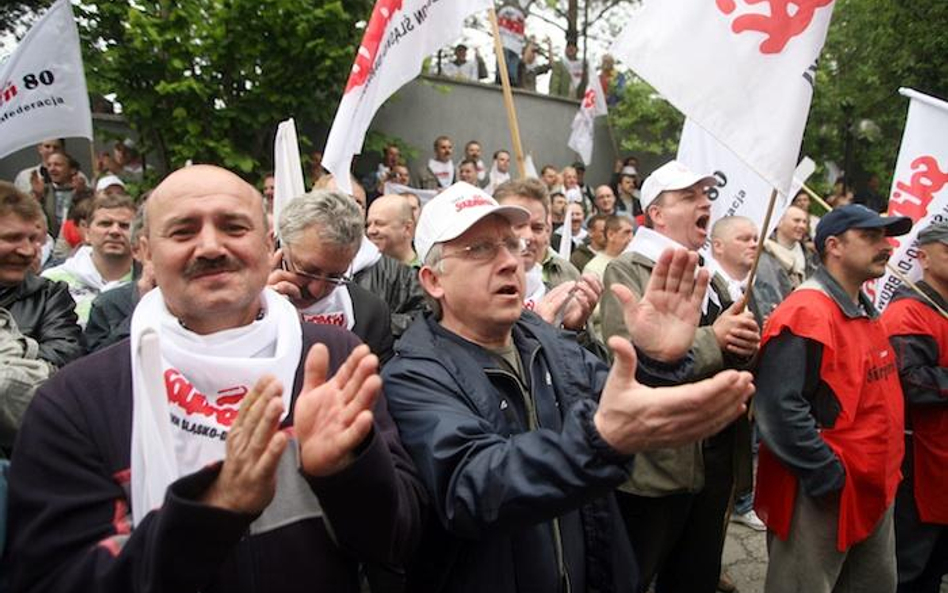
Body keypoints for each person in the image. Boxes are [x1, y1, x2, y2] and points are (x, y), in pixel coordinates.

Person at [5, 164, 425, 593]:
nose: (210, 247)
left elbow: (399, 541)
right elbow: (51, 579)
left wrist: (349, 470)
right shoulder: (77, 401)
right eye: (183, 231)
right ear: (146, 253)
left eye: (234, 227)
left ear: (267, 246)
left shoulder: (334, 359)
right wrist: (212, 511)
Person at [382, 181, 755, 593]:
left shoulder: (551, 344)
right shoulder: (412, 375)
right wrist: (597, 442)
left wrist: (655, 363)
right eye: (480, 250)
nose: (510, 261)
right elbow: (472, 486)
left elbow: (619, 407)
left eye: (511, 245)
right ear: (434, 281)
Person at [600, 160, 761, 593]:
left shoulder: (710, 276)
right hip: (656, 467)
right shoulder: (628, 270)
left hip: (712, 464)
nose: (704, 202)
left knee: (695, 578)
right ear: (656, 213)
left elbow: (734, 355)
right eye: (689, 196)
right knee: (632, 576)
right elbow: (630, 361)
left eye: (707, 195)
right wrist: (716, 338)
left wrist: (747, 347)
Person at [754, 204, 912, 593]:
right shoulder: (806, 312)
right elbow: (779, 408)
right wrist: (827, 474)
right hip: (824, 493)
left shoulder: (861, 307)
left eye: (885, 236)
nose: (886, 246)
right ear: (834, 246)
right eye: (871, 237)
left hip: (872, 486)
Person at [881, 221, 948, 593]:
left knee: (935, 567)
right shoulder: (908, 312)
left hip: (942, 461)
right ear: (922, 257)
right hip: (918, 463)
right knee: (908, 569)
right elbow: (910, 382)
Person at [0, 181, 83, 452]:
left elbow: (66, 360)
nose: (27, 251)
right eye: (12, 238)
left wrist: (14, 351)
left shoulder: (50, 295)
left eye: (34, 240)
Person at [270, 190, 395, 365]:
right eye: (307, 271)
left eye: (335, 277)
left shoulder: (370, 313)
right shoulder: (241, 304)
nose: (317, 290)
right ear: (280, 249)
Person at [41, 193, 136, 327]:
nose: (115, 231)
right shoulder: (51, 281)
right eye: (105, 224)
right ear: (87, 233)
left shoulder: (148, 284)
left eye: (124, 226)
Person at [84, 206, 154, 352]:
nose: (115, 231)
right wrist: (144, 311)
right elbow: (96, 366)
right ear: (139, 251)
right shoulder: (108, 305)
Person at [754, 205, 818, 319]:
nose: (802, 226)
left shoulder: (810, 256)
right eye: (796, 221)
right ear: (779, 222)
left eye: (804, 222)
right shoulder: (764, 255)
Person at [366, 194, 418, 267]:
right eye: (368, 225)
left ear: (407, 228)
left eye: (380, 224)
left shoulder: (429, 272)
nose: (370, 231)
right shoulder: (360, 269)